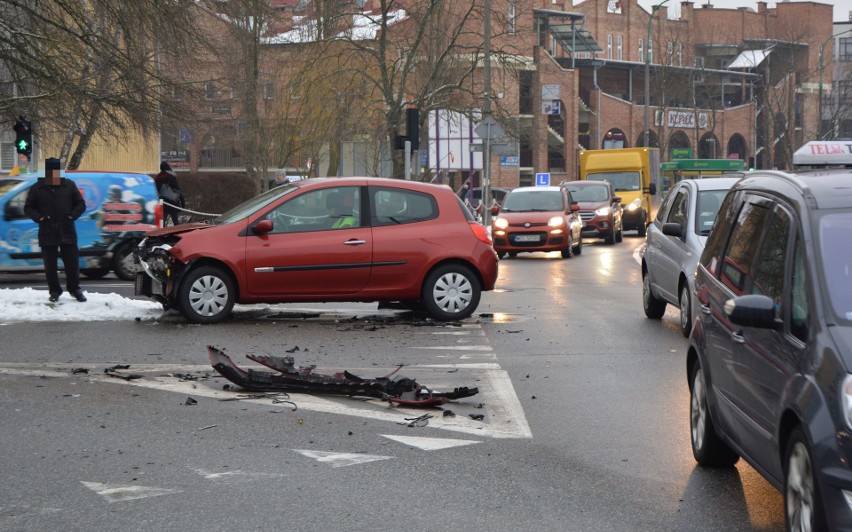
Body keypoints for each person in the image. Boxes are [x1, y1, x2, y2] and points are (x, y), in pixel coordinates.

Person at [24, 158, 87, 303]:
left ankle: (75, 289)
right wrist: (40, 218)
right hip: (47, 230)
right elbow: (28, 208)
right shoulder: (37, 188)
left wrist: (72, 215)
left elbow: (81, 204)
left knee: (72, 264)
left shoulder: (69, 185)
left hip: (67, 230)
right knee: (50, 266)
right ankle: (54, 291)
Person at [154, 162, 185, 226]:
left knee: (162, 223)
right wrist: (182, 202)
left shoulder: (157, 178)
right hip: (173, 202)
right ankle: (176, 234)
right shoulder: (171, 176)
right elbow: (177, 190)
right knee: (176, 223)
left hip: (163, 203)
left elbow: (156, 191)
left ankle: (162, 235)